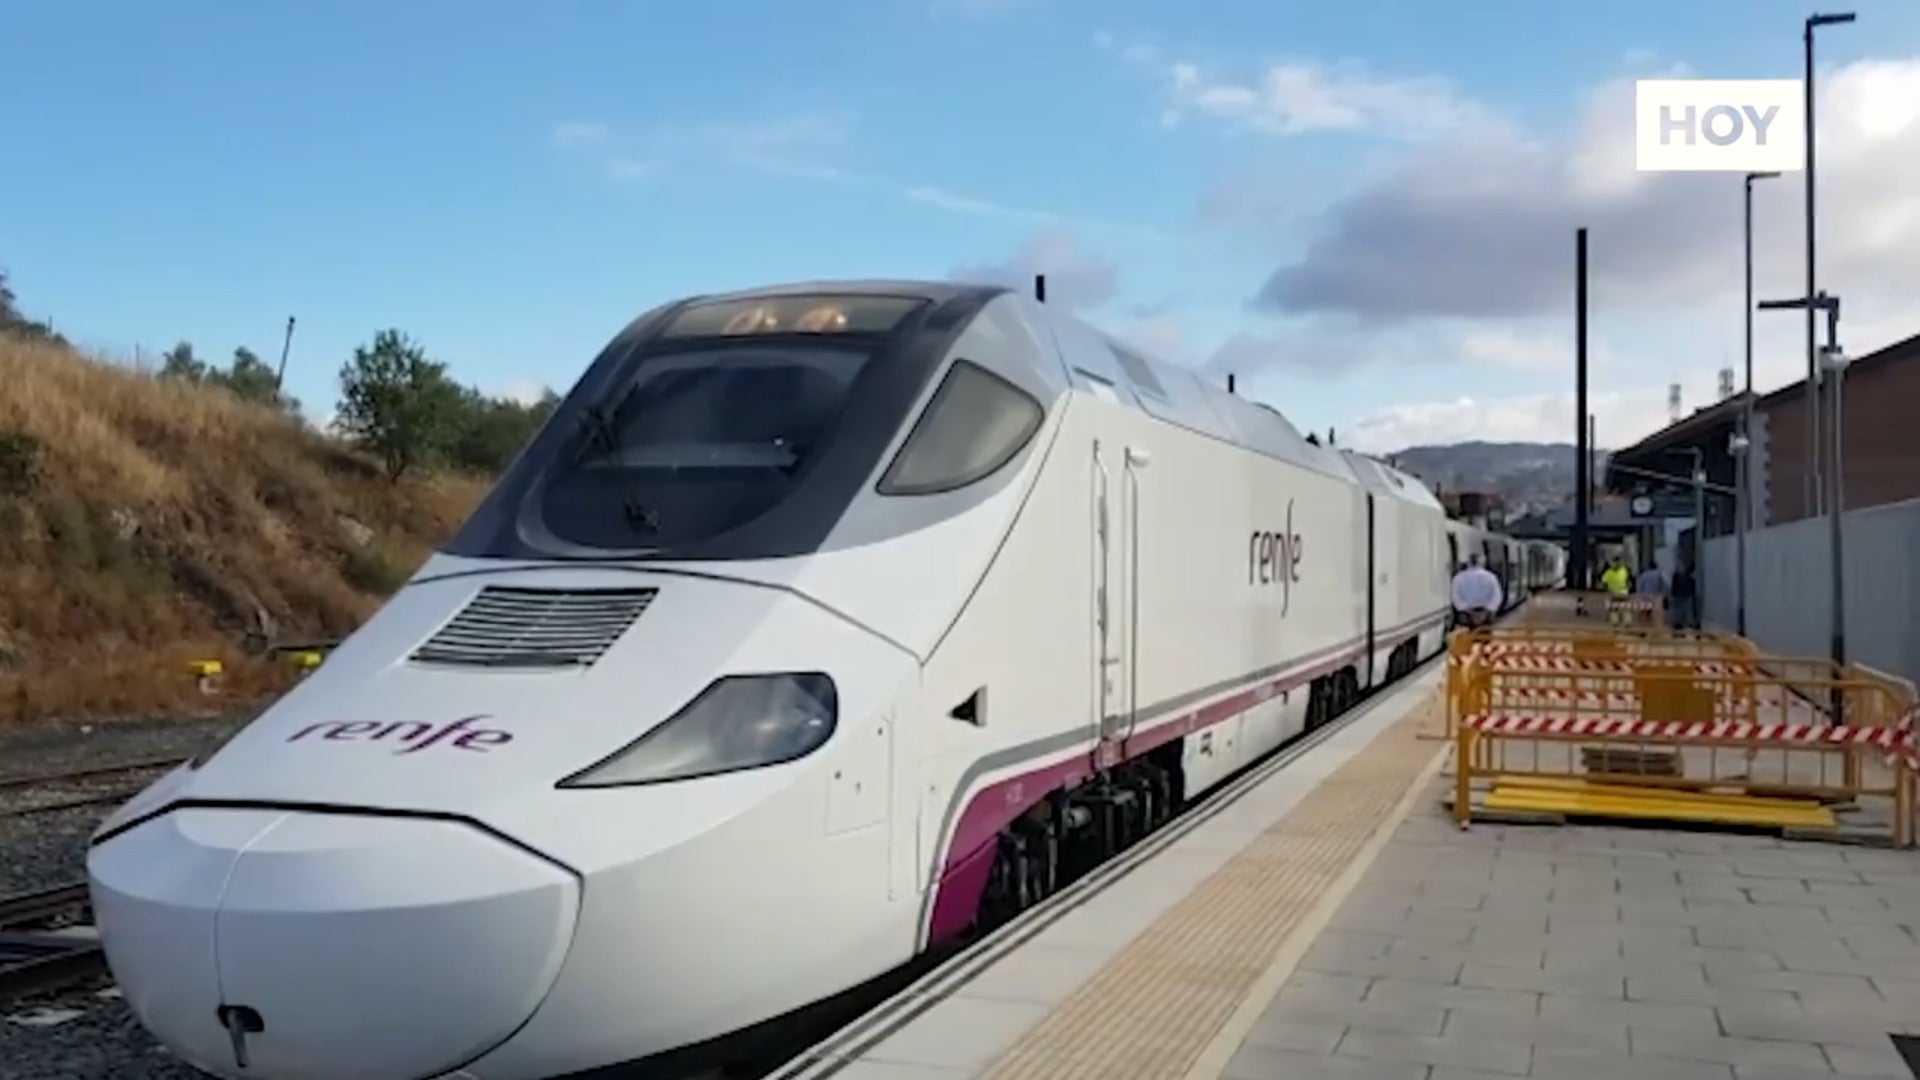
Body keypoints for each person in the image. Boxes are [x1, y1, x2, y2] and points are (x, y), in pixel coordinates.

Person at [1450, 553, 1504, 629]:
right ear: (1481, 563)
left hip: (1466, 615)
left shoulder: (1458, 578)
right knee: (1484, 637)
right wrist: (1489, 610)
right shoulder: (1491, 577)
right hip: (1486, 614)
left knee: (1466, 638)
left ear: (1468, 563)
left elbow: (1455, 596)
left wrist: (1464, 609)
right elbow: (1497, 596)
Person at [1669, 560, 1699, 629]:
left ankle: (1680, 622)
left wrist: (1672, 595)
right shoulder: (1686, 576)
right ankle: (1684, 622)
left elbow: (1673, 586)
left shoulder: (1677, 575)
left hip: (1681, 595)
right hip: (1684, 595)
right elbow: (1674, 586)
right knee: (1685, 609)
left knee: (1680, 609)